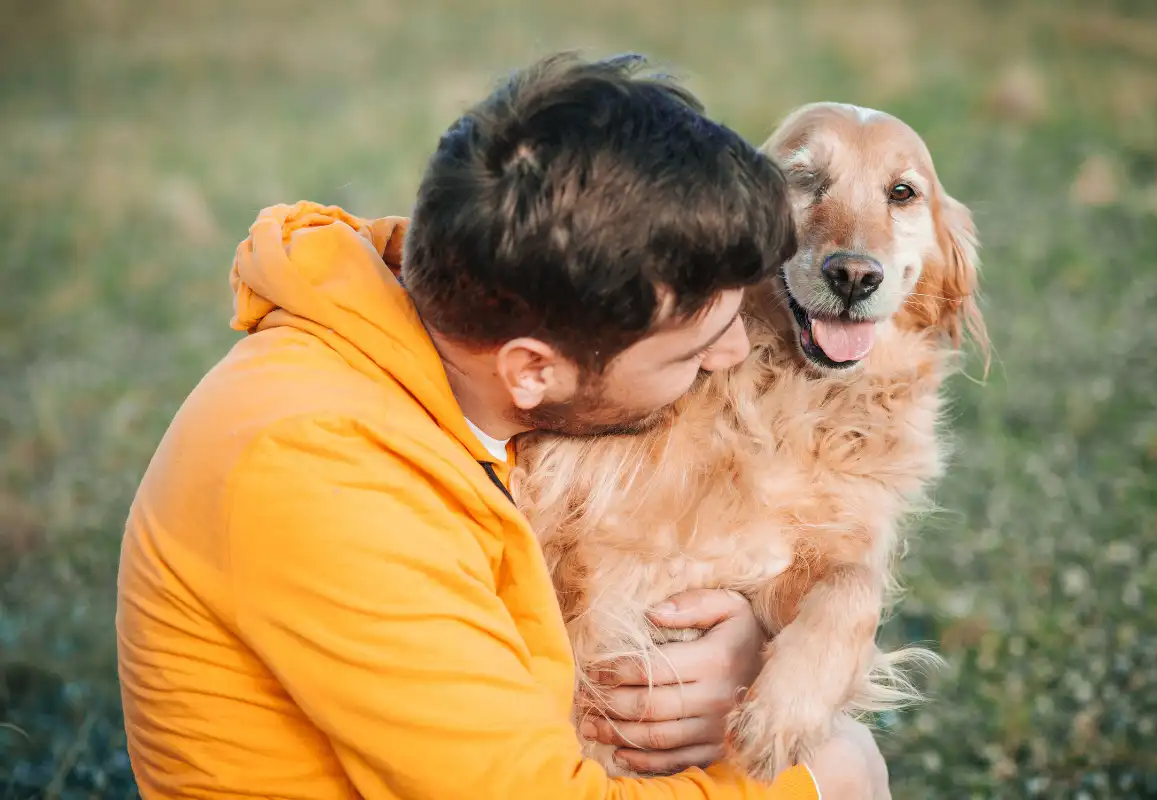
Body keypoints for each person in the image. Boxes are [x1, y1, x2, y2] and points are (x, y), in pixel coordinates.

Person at [115, 52, 890, 798]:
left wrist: (754, 655)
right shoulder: (319, 475)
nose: (729, 358)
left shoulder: (475, 326)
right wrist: (825, 779)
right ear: (531, 370)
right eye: (690, 349)